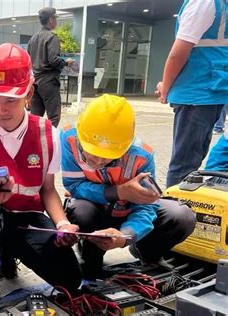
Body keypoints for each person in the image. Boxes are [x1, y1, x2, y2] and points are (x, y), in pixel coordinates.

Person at [0, 43, 81, 302]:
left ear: (28, 93)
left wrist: (63, 224)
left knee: (70, 278)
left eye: (10, 100)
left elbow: (48, 190)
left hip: (26, 215)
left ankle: (7, 253)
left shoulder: (47, 133)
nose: (1, 109)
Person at [60, 94, 196, 279]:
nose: (99, 160)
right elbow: (73, 185)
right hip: (95, 213)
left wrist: (125, 236)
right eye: (92, 153)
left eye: (107, 155)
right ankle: (91, 256)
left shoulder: (142, 156)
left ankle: (148, 254)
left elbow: (147, 207)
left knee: (181, 216)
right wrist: (119, 192)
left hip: (127, 213)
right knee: (80, 210)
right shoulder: (69, 139)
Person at [155, 0, 228, 187]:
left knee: (185, 163)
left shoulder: (203, 2)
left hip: (197, 89)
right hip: (211, 88)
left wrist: (166, 88)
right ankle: (176, 209)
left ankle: (173, 210)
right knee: (190, 159)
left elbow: (178, 52)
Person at [27, 7, 74, 128]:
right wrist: (66, 62)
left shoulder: (32, 39)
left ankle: (34, 141)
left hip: (35, 83)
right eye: (55, 19)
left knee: (35, 117)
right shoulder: (52, 37)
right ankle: (49, 141)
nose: (56, 22)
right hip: (48, 82)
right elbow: (53, 60)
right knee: (54, 116)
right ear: (51, 20)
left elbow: (28, 61)